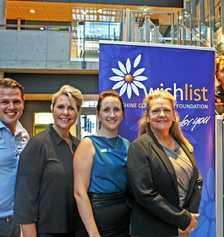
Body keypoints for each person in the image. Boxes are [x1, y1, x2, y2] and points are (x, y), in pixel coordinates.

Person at [127, 90, 202, 237]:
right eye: (156, 111)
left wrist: (190, 216)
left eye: (167, 110)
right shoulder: (139, 147)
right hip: (153, 230)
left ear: (174, 116)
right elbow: (145, 194)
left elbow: (197, 181)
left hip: (182, 230)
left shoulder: (183, 145)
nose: (162, 114)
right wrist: (182, 219)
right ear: (148, 117)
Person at [14, 85, 83, 237]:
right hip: (46, 231)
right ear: (52, 109)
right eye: (60, 107)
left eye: (71, 108)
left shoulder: (80, 146)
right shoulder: (37, 145)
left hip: (76, 230)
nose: (65, 112)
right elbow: (24, 199)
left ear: (77, 112)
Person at [74, 90, 130, 237]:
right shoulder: (88, 144)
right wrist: (94, 234)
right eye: (106, 110)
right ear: (98, 114)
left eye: (116, 109)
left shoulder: (127, 145)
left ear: (123, 114)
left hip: (124, 220)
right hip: (98, 220)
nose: (112, 115)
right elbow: (79, 193)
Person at [0, 78, 29, 237]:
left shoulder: (24, 134)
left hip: (17, 221)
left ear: (23, 103)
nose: (11, 107)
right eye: (4, 102)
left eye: (16, 101)